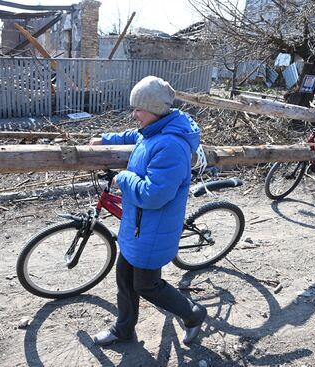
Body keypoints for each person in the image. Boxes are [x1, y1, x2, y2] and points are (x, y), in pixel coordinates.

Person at [89, 76, 206, 346]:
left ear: (153, 110)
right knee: (124, 279)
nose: (133, 115)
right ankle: (124, 330)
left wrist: (124, 178)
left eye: (137, 110)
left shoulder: (172, 146)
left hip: (153, 230)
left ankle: (194, 313)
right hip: (137, 226)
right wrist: (105, 139)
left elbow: (154, 195)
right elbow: (134, 137)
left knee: (146, 285)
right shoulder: (154, 131)